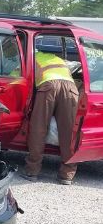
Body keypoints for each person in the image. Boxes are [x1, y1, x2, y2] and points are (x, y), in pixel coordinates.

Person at [22, 50, 79, 185]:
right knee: (69, 132)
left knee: (39, 128)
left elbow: (16, 78)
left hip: (48, 86)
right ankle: (67, 174)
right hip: (71, 88)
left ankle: (32, 171)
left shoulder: (29, 56)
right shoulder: (55, 57)